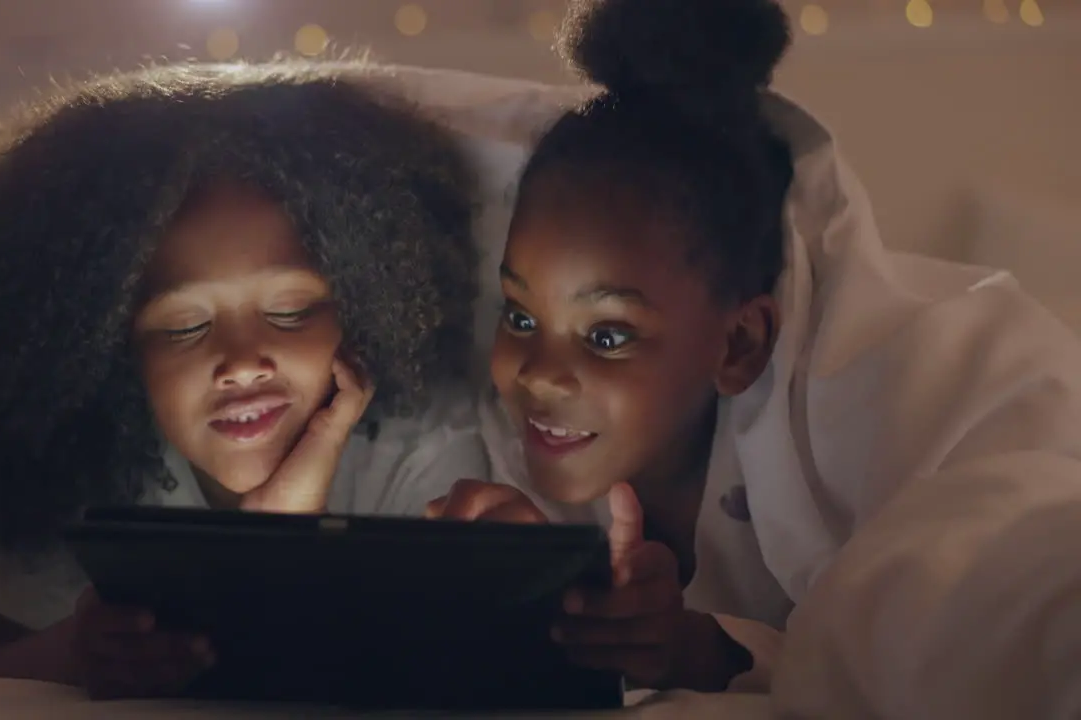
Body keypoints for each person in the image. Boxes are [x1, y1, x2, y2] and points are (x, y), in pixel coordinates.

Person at [427, 0, 1081, 717]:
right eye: (521, 315)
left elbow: (967, 635)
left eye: (608, 335)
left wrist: (697, 646)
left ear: (739, 343)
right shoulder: (494, 450)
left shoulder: (920, 391)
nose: (538, 373)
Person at [0, 62, 486, 698]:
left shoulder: (423, 458)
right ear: (108, 351)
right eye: (184, 327)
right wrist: (71, 654)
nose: (243, 361)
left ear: (365, 309)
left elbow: (448, 669)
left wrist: (283, 543)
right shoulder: (94, 474)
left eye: (290, 313)